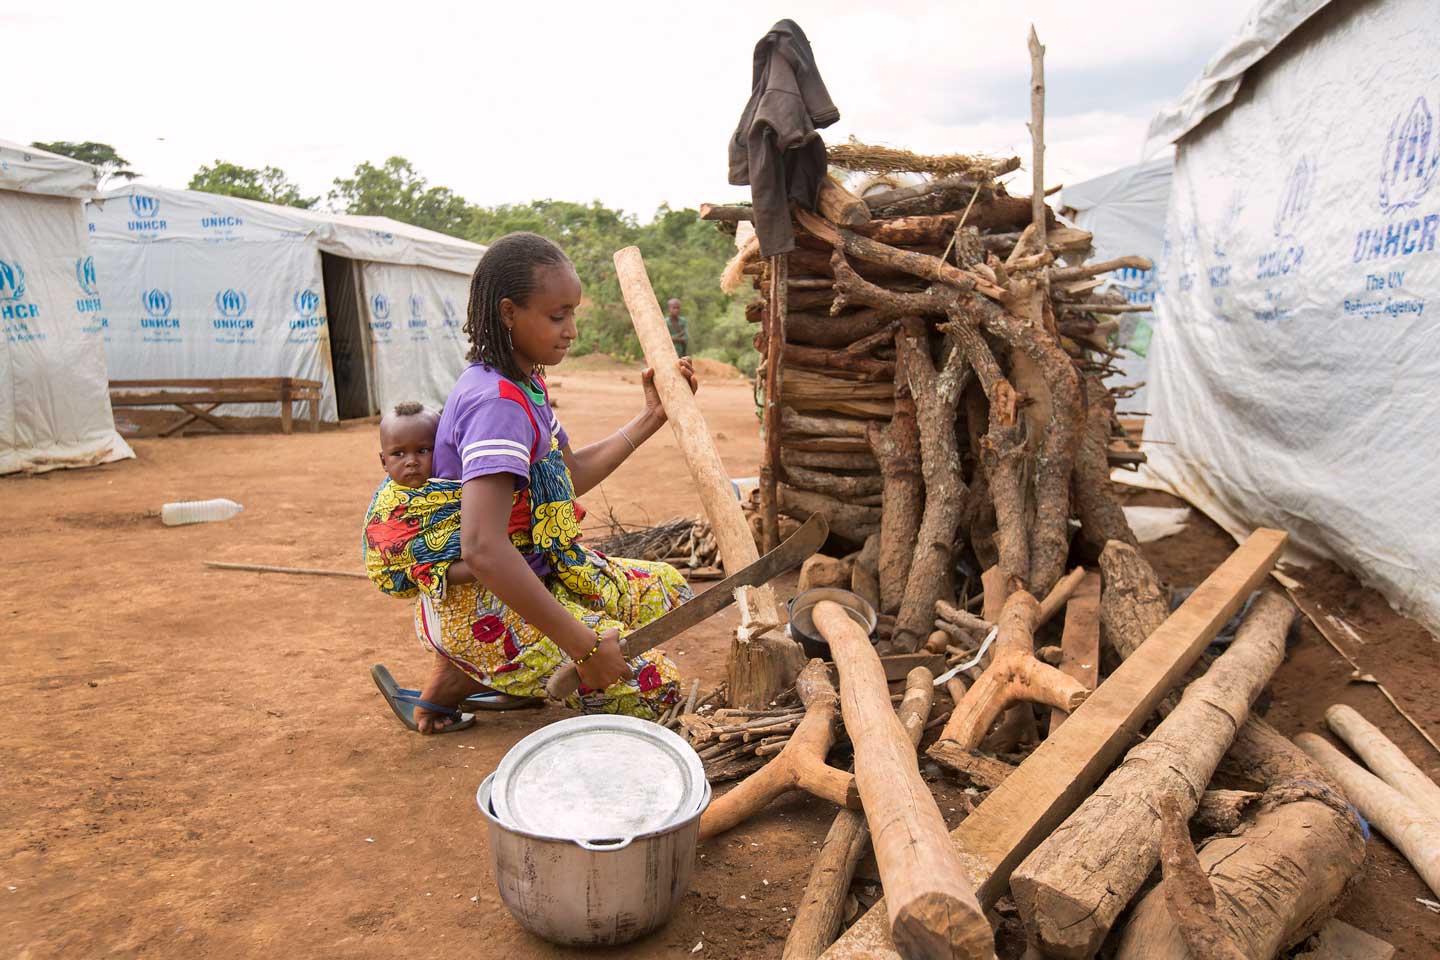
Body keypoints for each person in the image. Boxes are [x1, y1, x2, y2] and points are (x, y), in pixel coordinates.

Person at [378, 231, 698, 734]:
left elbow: (569, 476)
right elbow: (482, 549)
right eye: (557, 316)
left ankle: (479, 674)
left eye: (572, 313)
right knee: (659, 691)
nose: (571, 330)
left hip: (533, 575)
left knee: (671, 593)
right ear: (509, 313)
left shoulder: (526, 383)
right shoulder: (496, 404)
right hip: (480, 603)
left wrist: (651, 417)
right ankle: (473, 661)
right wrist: (584, 647)